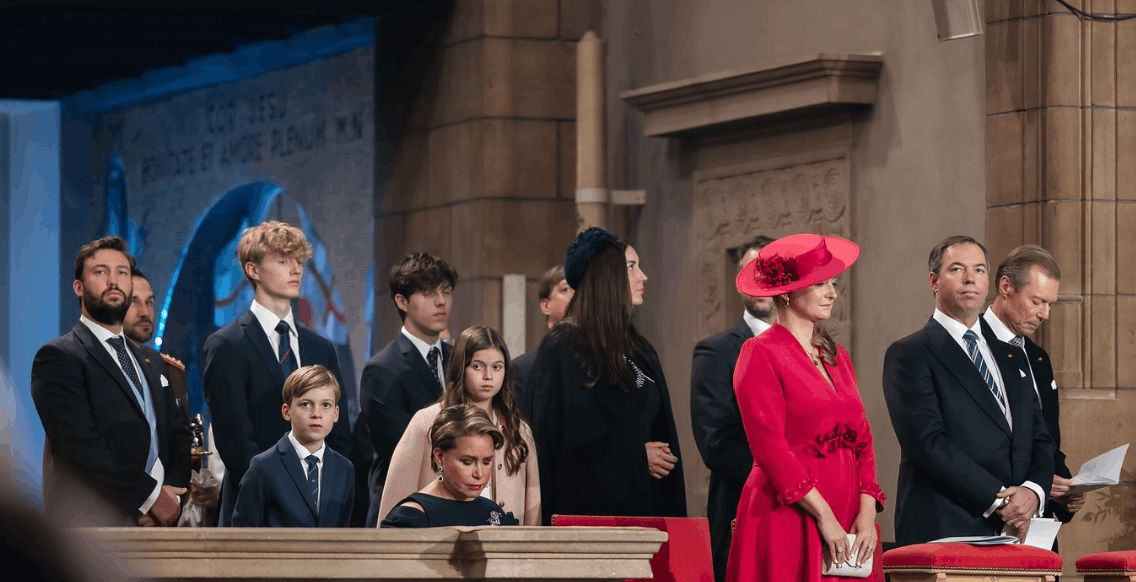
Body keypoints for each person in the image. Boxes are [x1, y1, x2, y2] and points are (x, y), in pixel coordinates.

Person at [725, 233, 884, 582]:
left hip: (848, 513)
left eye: (833, 283)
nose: (833, 293)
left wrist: (868, 511)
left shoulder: (836, 355)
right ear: (786, 292)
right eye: (820, 284)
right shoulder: (759, 352)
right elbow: (769, 447)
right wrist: (823, 514)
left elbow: (863, 437)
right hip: (790, 512)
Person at [883, 235, 1055, 546]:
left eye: (978, 270)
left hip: (1021, 532)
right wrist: (1002, 502)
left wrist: (1033, 491)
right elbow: (928, 444)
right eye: (957, 269)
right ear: (934, 281)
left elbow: (1039, 437)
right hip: (949, 526)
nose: (969, 280)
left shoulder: (1012, 353)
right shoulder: (910, 353)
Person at [521, 227, 686, 524]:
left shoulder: (640, 348)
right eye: (631, 267)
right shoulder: (563, 346)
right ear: (605, 277)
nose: (643, 276)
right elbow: (554, 445)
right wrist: (633, 457)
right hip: (593, 520)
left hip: (649, 508)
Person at [31, 236, 190, 526]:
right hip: (91, 532)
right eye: (100, 272)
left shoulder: (152, 362)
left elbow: (178, 437)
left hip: (161, 526)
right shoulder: (58, 357)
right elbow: (81, 448)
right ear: (78, 287)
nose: (113, 281)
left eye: (122, 272)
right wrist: (150, 499)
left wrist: (172, 500)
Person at [203, 221, 352, 526]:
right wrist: (287, 498)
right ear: (253, 270)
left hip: (320, 510)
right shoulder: (226, 345)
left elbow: (340, 432)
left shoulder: (321, 347)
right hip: (256, 510)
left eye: (299, 261)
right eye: (283, 261)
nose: (296, 270)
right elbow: (235, 443)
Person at [379, 325, 540, 524]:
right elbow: (396, 498)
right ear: (460, 368)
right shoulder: (427, 421)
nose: (488, 376)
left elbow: (533, 502)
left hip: (502, 543)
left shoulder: (519, 429)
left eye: (497, 367)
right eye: (478, 366)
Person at [690, 234, 774, 582]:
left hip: (812, 519)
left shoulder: (816, 349)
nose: (761, 279)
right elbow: (718, 444)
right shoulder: (716, 352)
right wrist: (788, 487)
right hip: (746, 511)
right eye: (751, 270)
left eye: (770, 270)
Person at [981, 245, 1083, 527]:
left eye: (1050, 304)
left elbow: (1047, 438)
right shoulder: (973, 347)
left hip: (1039, 523)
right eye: (1037, 301)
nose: (1045, 314)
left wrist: (1063, 489)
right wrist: (1035, 484)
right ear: (1005, 286)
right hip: (993, 513)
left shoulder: (1039, 357)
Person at [359, 252, 458, 526]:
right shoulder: (381, 368)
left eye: (446, 292)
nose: (441, 302)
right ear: (401, 301)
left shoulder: (461, 360)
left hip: (458, 502)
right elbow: (400, 448)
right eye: (428, 293)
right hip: (403, 506)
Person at [125, 269, 221, 519]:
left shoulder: (172, 372)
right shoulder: (83, 365)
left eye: (150, 302)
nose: (145, 312)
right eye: (134, 301)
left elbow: (179, 450)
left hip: (167, 517)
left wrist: (195, 491)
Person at [230, 365, 354, 527]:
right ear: (286, 412)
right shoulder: (263, 467)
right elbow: (243, 535)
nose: (317, 414)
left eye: (325, 405)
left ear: (336, 413)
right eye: (306, 404)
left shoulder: (344, 469)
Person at [381, 405, 519, 528]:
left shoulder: (492, 511)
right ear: (440, 457)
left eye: (486, 462)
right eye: (467, 462)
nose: (479, 474)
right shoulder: (413, 516)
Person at [512, 265, 574, 393]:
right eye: (566, 289)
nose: (575, 296)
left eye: (579, 290)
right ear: (546, 305)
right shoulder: (522, 369)